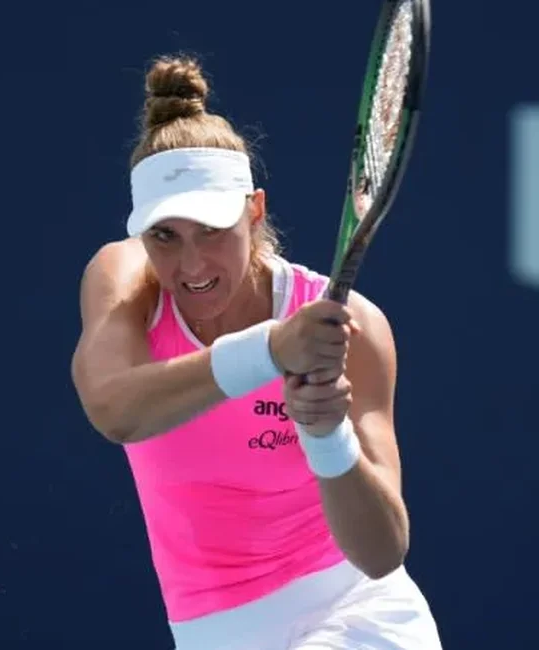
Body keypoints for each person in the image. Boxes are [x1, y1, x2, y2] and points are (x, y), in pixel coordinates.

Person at [71, 54, 443, 650]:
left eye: (212, 230)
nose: (191, 265)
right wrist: (269, 350)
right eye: (165, 235)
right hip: (214, 631)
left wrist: (327, 437)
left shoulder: (356, 328)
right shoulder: (124, 278)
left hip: (357, 610)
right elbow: (115, 411)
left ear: (256, 210)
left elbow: (381, 551)